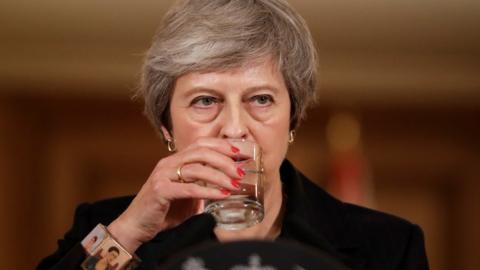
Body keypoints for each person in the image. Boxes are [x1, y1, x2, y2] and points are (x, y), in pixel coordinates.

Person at [37, 0, 429, 269]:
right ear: (166, 127)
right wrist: (130, 233)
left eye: (260, 99)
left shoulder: (388, 246)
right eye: (205, 101)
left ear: (292, 119)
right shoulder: (107, 225)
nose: (235, 127)